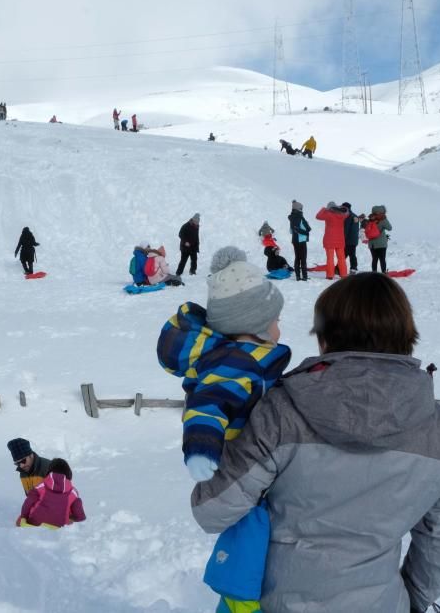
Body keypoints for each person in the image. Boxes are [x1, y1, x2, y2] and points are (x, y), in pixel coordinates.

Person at [191, 272, 440, 613]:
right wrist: (411, 601)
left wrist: (223, 436)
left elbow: (213, 510)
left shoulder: (282, 411)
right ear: (405, 337)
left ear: (325, 338)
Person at [158, 246, 291, 613]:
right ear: (258, 324)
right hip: (237, 466)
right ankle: (241, 600)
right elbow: (207, 404)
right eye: (276, 319)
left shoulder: (247, 360)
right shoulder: (236, 362)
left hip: (253, 468)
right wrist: (201, 448)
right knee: (250, 551)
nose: (280, 326)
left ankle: (239, 598)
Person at [17, 458, 87, 529]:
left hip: (36, 523)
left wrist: (23, 517)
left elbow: (28, 503)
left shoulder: (41, 486)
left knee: (20, 519)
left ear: (49, 471)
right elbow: (79, 515)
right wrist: (73, 517)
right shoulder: (73, 492)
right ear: (68, 473)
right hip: (59, 526)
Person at [316, 201, 349, 280]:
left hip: (329, 240)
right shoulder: (342, 215)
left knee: (330, 258)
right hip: (340, 240)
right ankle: (344, 274)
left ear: (329, 208)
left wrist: (324, 208)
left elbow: (318, 216)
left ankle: (330, 275)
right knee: (341, 258)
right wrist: (343, 208)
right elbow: (347, 212)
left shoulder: (328, 214)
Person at [288, 200, 311, 281]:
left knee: (297, 257)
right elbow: (308, 229)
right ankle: (304, 277)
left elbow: (291, 231)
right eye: (301, 208)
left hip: (294, 240)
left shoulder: (291, 217)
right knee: (303, 258)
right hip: (302, 240)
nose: (302, 209)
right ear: (299, 209)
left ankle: (298, 276)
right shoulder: (300, 217)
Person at [367, 205, 393, 273]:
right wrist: (385, 219)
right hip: (381, 244)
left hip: (372, 244)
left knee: (374, 259)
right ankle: (384, 273)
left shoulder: (370, 219)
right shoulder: (383, 220)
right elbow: (390, 228)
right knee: (382, 259)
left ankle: (374, 273)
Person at [342, 202, 365, 274]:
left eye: (343, 208)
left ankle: (352, 268)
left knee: (347, 254)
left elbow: (346, 228)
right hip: (353, 239)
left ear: (346, 208)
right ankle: (352, 268)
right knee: (351, 254)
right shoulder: (354, 216)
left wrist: (343, 238)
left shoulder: (349, 216)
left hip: (349, 239)